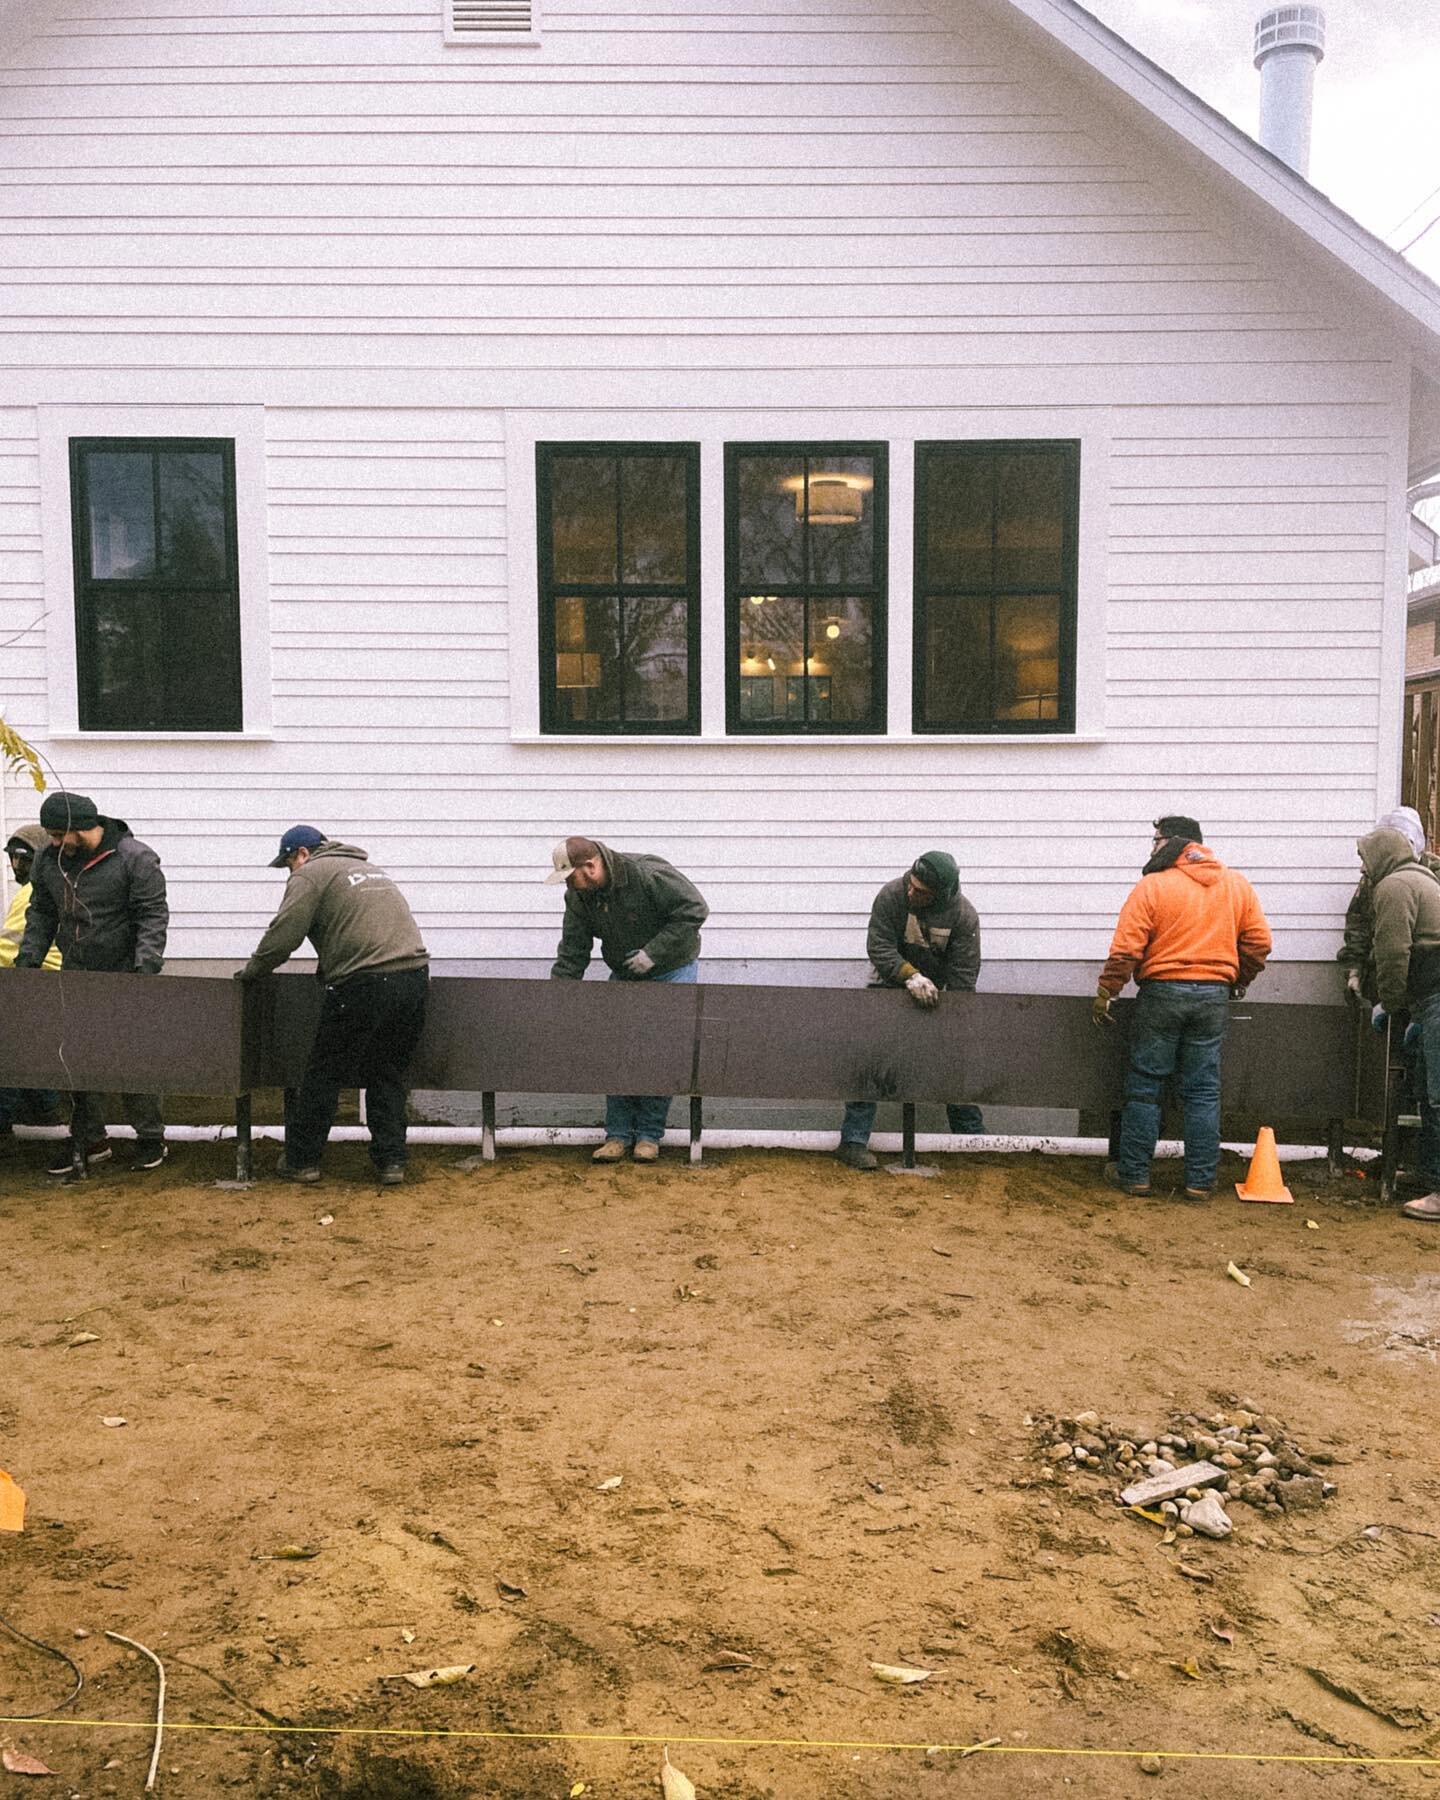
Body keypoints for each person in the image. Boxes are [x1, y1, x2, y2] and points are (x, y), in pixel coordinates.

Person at [236, 826, 429, 1186]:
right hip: (414, 977)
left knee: (324, 1073)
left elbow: (285, 933)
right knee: (386, 1071)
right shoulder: (371, 870)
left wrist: (253, 971)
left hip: (363, 983)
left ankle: (302, 1160)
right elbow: (360, 928)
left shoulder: (311, 875)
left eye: (288, 864)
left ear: (303, 854)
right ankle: (392, 1162)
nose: (290, 872)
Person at [1093, 815, 1271, 1202]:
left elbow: (1126, 950)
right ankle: (1199, 1182)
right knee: (1203, 1092)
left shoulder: (1153, 886)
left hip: (1162, 994)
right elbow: (1259, 943)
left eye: (1155, 840)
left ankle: (1135, 1175)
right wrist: (1237, 981)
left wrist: (1107, 991)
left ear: (1172, 842)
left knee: (1145, 1087)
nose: (1151, 847)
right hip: (1213, 997)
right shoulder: (1235, 885)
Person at [16, 792, 169, 1173]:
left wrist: (144, 968)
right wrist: (27, 962)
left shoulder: (135, 858)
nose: (53, 842)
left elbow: (152, 915)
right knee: (77, 1059)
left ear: (81, 828)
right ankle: (90, 1137)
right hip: (76, 974)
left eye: (57, 834)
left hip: (126, 975)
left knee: (134, 1058)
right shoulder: (49, 862)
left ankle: (150, 1137)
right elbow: (42, 913)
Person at [547, 835, 707, 1163]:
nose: (569, 885)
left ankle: (649, 1136)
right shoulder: (578, 896)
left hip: (672, 969)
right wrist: (558, 995)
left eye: (570, 876)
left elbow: (694, 909)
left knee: (659, 1049)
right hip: (626, 971)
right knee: (617, 1047)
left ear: (590, 867)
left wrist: (655, 953)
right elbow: (574, 947)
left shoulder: (647, 874)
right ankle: (617, 1136)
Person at [835, 851, 983, 1171]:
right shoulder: (892, 895)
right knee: (871, 1055)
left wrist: (952, 1016)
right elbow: (878, 946)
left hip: (939, 995)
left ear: (939, 895)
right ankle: (853, 1140)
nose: (911, 893)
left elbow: (963, 977)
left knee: (955, 1056)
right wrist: (909, 975)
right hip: (888, 984)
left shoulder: (963, 917)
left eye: (921, 892)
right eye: (911, 885)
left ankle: (973, 1140)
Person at [1356, 824, 1440, 1223]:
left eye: (1364, 860)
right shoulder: (1423, 880)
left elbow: (1392, 955)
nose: (1362, 868)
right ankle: (1429, 1175)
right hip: (1430, 1002)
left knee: (1439, 1095)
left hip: (1436, 999)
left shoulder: (1394, 887)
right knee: (1427, 1091)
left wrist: (1389, 1005)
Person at [0, 823, 63, 1144]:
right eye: (13, 857)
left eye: (25, 858)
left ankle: (3, 1118)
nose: (17, 865)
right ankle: (44, 1107)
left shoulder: (30, 893)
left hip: (37, 982)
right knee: (28, 1046)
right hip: (49, 986)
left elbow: (8, 947)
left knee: (8, 1047)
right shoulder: (52, 885)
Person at [1337, 806, 1440, 1002]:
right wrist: (1354, 971)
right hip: (1384, 977)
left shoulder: (1431, 875)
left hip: (1425, 985)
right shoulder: (1374, 879)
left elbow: (1396, 950)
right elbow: (1358, 926)